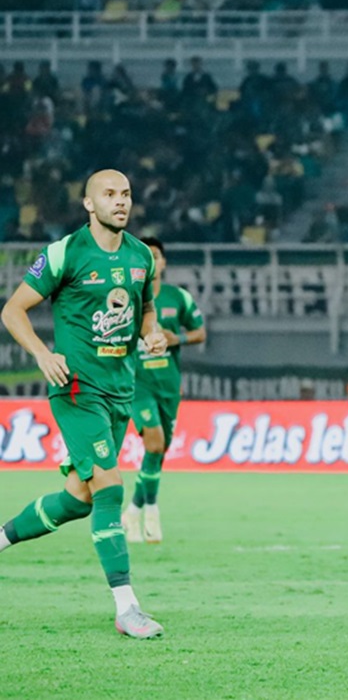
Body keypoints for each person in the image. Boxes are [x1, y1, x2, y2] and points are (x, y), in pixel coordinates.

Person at [0, 170, 167, 638]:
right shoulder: (64, 253)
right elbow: (12, 310)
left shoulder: (139, 257)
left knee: (78, 500)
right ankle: (127, 606)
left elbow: (146, 310)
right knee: (111, 489)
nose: (121, 202)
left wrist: (151, 334)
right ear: (89, 205)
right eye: (109, 195)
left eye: (126, 194)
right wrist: (42, 353)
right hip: (76, 390)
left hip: (120, 391)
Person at [121, 238, 206, 544]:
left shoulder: (178, 297)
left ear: (164, 263)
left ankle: (132, 510)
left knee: (157, 452)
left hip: (169, 385)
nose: (152, 262)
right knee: (154, 443)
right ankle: (152, 511)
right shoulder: (127, 298)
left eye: (156, 256)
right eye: (146, 257)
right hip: (138, 384)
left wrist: (177, 338)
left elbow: (200, 333)